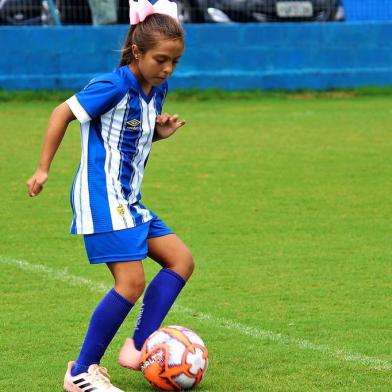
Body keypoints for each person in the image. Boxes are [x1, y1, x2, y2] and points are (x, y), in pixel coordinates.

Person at [27, 1, 194, 391]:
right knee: (131, 282)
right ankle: (82, 371)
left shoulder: (158, 88)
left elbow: (128, 134)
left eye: (175, 61)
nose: (168, 68)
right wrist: (42, 168)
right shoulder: (113, 84)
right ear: (137, 52)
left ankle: (137, 347)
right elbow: (60, 113)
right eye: (161, 59)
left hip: (129, 199)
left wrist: (157, 133)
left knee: (181, 261)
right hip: (101, 197)